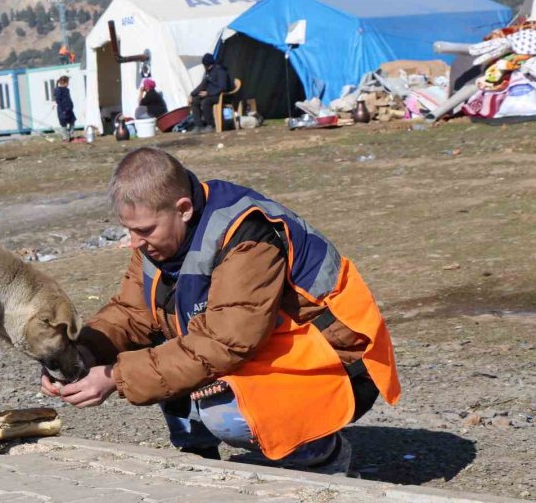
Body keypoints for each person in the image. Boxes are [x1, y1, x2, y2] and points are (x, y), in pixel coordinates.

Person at [41, 147, 400, 475]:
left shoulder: (247, 236)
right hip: (276, 351)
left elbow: (227, 342)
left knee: (222, 411)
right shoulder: (157, 242)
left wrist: (116, 377)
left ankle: (321, 454)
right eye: (129, 230)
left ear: (183, 209)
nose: (134, 242)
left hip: (339, 362)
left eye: (144, 230)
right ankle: (200, 464)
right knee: (169, 358)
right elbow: (132, 313)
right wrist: (81, 354)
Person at [188, 53, 230, 133]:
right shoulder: (208, 72)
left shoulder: (220, 71)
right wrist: (192, 94)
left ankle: (211, 125)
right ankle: (199, 125)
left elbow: (222, 87)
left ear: (208, 64)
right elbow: (202, 85)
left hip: (220, 95)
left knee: (205, 102)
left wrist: (209, 93)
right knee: (195, 100)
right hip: (211, 95)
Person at [53, 75, 77, 142]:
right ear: (66, 83)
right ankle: (65, 138)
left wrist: (71, 106)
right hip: (62, 110)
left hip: (69, 109)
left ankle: (71, 136)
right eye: (68, 82)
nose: (68, 84)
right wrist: (63, 109)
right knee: (63, 124)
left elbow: (68, 99)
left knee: (72, 121)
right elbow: (58, 100)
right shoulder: (58, 90)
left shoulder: (67, 90)